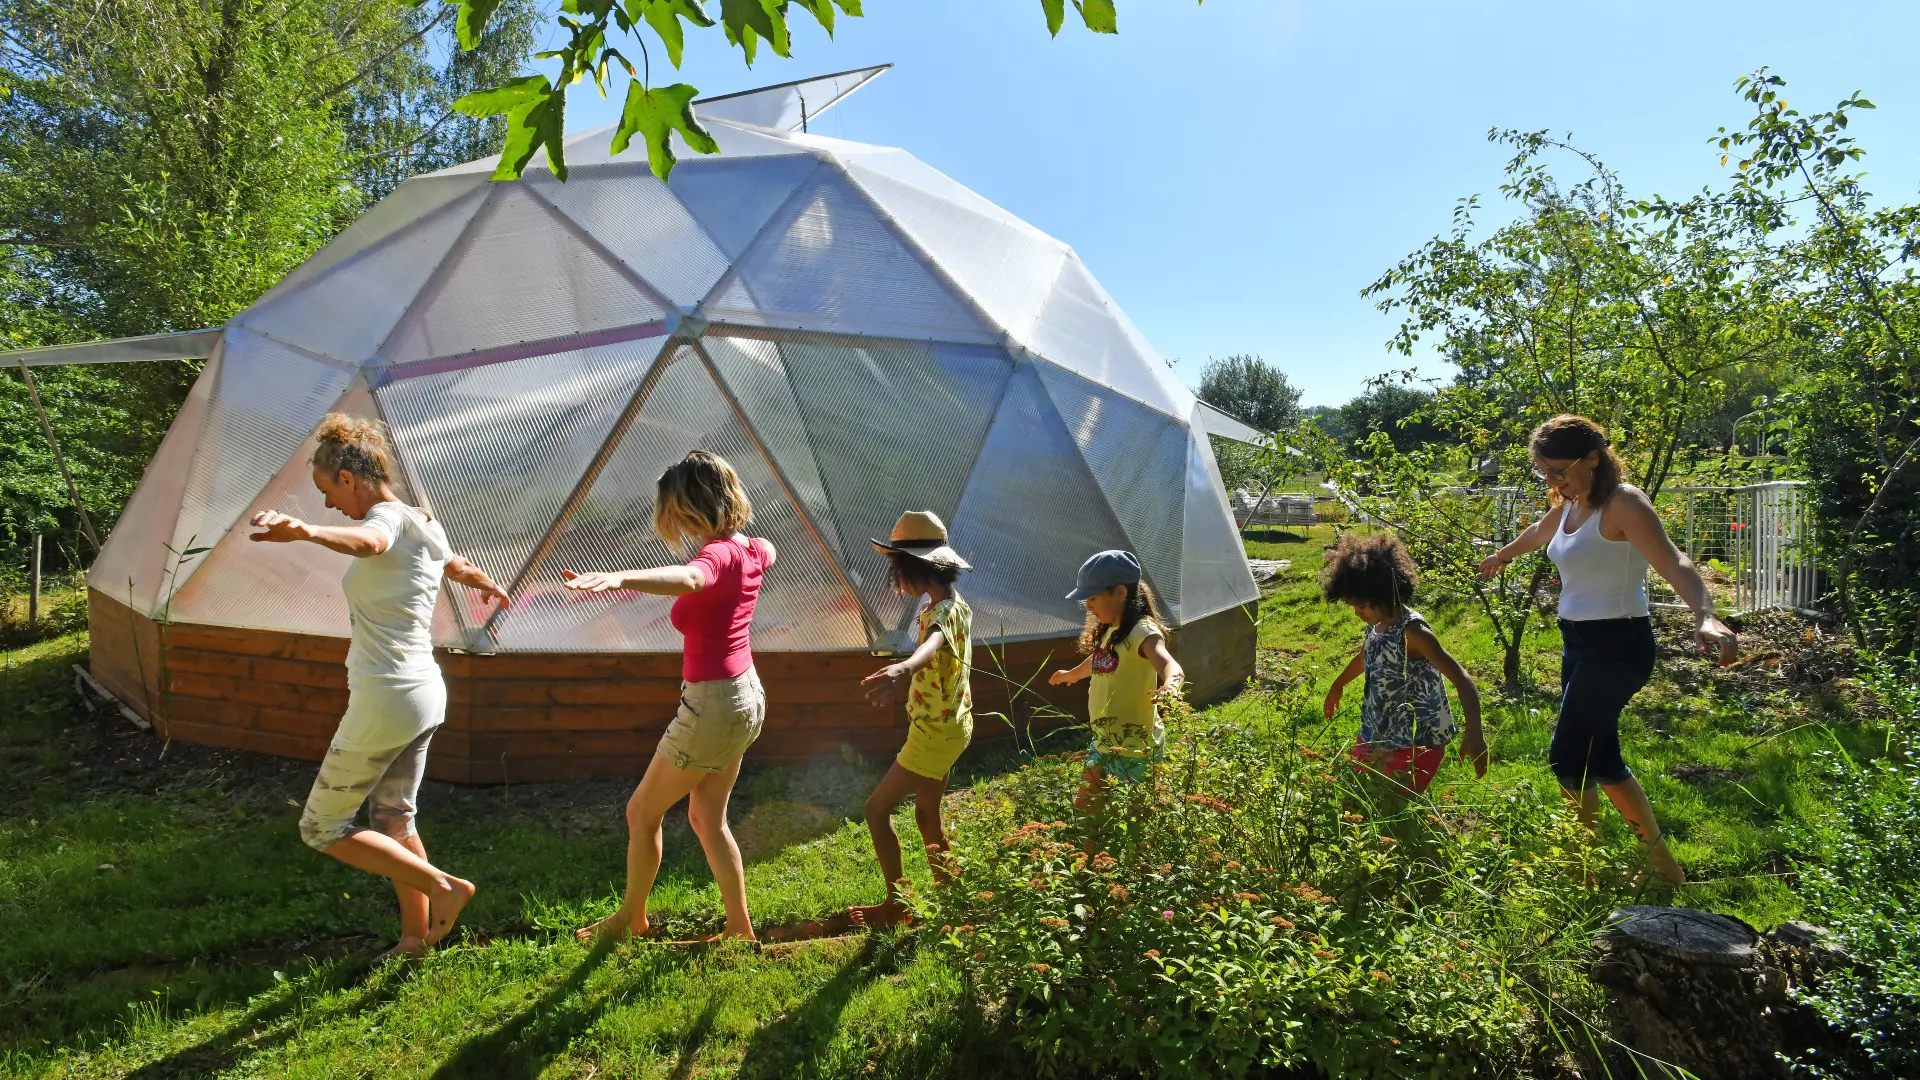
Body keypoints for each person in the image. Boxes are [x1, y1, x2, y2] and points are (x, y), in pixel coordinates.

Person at [248, 414, 510, 960]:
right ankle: (414, 940)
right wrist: (483, 580)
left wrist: (305, 531)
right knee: (394, 818)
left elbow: (370, 542)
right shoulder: (422, 521)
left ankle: (445, 886)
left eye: (326, 491)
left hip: (386, 697)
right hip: (424, 694)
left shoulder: (386, 519)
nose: (326, 505)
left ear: (348, 477)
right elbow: (449, 563)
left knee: (321, 827)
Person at [1480, 414, 1737, 884]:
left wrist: (1705, 613)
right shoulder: (1569, 508)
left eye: (1559, 470)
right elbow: (1538, 534)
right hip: (1578, 645)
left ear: (1594, 458)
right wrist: (1500, 556)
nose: (1553, 481)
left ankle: (1583, 871)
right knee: (1602, 760)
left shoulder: (1623, 503)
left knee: (1566, 757)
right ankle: (1665, 870)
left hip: (1618, 645)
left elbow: (1673, 559)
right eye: (1545, 472)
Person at [563, 450, 774, 942]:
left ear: (690, 506)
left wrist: (622, 577)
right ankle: (740, 928)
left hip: (715, 704)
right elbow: (764, 552)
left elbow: (694, 578)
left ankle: (628, 922)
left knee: (641, 812)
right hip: (746, 696)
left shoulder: (716, 555)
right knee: (706, 817)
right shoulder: (754, 549)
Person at [848, 512, 974, 929]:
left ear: (913, 566)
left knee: (876, 809)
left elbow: (933, 645)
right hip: (950, 724)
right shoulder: (952, 605)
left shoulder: (941, 614)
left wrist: (903, 669)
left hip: (935, 733)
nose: (894, 576)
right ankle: (950, 899)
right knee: (926, 813)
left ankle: (897, 903)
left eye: (895, 566)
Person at [1320, 533, 1487, 794]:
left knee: (1394, 804)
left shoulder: (1413, 632)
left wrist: (1475, 732)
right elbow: (1366, 656)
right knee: (1361, 796)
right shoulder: (1376, 625)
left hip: (1414, 742)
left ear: (1383, 593)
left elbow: (1462, 678)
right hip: (1378, 730)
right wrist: (1338, 685)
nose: (1357, 612)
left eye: (1361, 605)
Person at [1048, 550, 1184, 811]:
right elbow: (1100, 660)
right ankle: (1088, 852)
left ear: (1120, 592)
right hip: (1105, 740)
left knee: (1134, 816)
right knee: (1086, 810)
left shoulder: (1142, 631)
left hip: (1136, 748)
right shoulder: (1111, 628)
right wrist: (1072, 674)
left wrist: (1170, 686)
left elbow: (1170, 665)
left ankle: (1139, 852)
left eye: (1093, 597)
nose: (1088, 605)